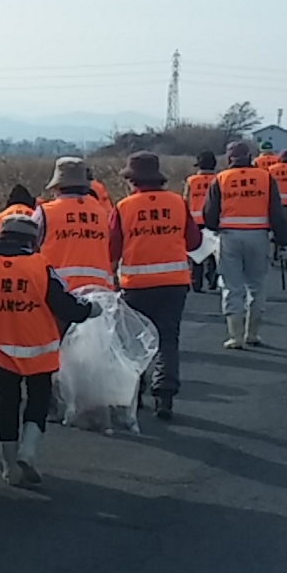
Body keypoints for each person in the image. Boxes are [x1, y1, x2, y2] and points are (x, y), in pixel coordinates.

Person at [0, 214, 96, 486]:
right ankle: (29, 450)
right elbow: (67, 306)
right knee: (38, 400)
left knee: (7, 402)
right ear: (32, 240)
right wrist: (91, 309)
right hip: (38, 349)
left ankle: (9, 465)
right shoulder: (40, 266)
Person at [108, 152, 202, 421]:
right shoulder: (177, 203)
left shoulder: (124, 207)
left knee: (134, 340)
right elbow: (193, 243)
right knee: (168, 338)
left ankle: (135, 393)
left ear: (132, 180)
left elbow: (112, 249)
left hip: (136, 285)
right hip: (174, 283)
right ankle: (165, 396)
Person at [202, 141, 287, 349]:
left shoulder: (221, 179)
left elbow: (209, 215)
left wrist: (217, 228)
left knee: (232, 286)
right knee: (256, 285)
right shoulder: (266, 178)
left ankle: (236, 336)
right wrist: (282, 241)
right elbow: (277, 213)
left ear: (229, 158)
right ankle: (253, 333)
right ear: (250, 157)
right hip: (259, 237)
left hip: (229, 237)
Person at [35, 156, 115, 292]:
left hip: (57, 293)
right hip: (101, 292)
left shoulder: (45, 212)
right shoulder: (102, 213)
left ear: (57, 187)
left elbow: (28, 250)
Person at [184, 150, 219, 293]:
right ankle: (212, 279)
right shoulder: (219, 179)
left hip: (194, 221)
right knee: (213, 252)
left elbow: (185, 200)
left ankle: (196, 282)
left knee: (195, 252)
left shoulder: (191, 180)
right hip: (213, 220)